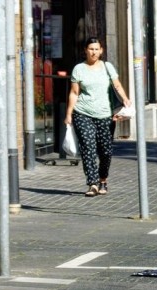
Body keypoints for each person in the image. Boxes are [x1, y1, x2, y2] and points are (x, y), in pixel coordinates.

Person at [64, 38, 131, 197]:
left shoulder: (107, 67)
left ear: (101, 51)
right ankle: (92, 183)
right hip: (83, 113)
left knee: (106, 151)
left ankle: (103, 179)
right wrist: (69, 114)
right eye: (90, 49)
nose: (93, 52)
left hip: (105, 115)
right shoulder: (79, 69)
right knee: (88, 148)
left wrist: (125, 101)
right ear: (85, 50)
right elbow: (74, 93)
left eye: (96, 49)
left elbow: (117, 86)